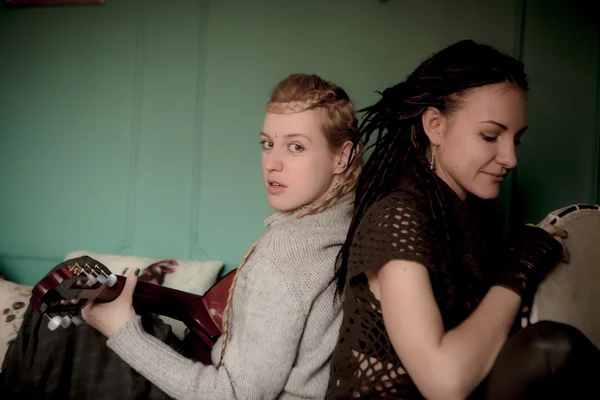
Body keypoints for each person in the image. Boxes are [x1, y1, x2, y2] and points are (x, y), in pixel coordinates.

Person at [1, 73, 363, 400]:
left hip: (214, 388)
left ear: (342, 156)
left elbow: (234, 395)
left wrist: (122, 331)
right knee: (73, 288)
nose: (272, 163)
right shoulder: (341, 225)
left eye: (296, 147)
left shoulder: (285, 254)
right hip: (209, 355)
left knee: (56, 327)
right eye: (267, 143)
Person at [325, 40, 600, 400]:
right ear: (435, 126)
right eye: (490, 136)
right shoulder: (398, 217)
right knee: (551, 347)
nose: (510, 158)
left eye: (516, 140)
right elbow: (445, 383)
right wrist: (521, 267)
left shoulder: (466, 219)